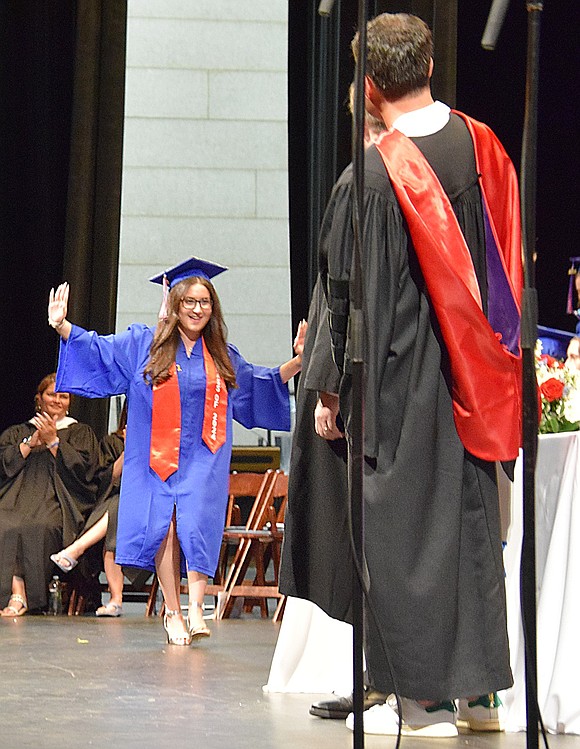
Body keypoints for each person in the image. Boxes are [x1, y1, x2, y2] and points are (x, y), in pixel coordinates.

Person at [283, 12, 522, 737]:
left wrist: (329, 390)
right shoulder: (484, 147)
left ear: (372, 83)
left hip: (400, 384)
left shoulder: (379, 172)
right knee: (469, 527)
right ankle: (480, 696)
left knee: (403, 535)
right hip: (476, 376)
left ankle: (422, 699)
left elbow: (351, 293)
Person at [48, 256, 304, 645]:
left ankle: (197, 608)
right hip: (154, 456)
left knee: (198, 522)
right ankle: (172, 611)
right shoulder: (142, 344)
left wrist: (299, 360)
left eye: (205, 302)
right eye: (190, 302)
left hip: (204, 455)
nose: (198, 309)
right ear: (175, 303)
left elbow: (256, 383)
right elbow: (99, 351)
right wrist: (63, 326)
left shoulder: (219, 353)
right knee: (163, 525)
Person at [0, 374, 100, 616]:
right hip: (15, 499)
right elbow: (5, 462)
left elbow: (86, 473)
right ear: (39, 399)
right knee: (4, 523)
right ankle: (16, 591)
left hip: (57, 502)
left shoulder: (79, 432)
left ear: (69, 402)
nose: (57, 400)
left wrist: (54, 442)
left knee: (41, 526)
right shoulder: (19, 432)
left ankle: (26, 596)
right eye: (51, 394)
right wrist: (31, 443)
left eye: (63, 396)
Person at [51, 404, 127, 617]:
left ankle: (76, 550)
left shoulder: (162, 445)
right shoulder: (114, 442)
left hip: (147, 508)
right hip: (114, 507)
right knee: (117, 510)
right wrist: (130, 450)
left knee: (119, 507)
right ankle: (115, 599)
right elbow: (106, 481)